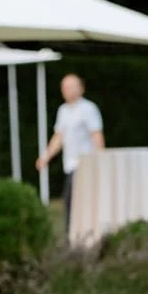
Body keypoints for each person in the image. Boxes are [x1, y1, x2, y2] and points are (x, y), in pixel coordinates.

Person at [36, 73, 105, 232]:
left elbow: (96, 135)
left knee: (75, 200)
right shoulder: (63, 111)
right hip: (70, 164)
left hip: (85, 165)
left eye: (70, 86)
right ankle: (73, 236)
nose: (67, 90)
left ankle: (80, 235)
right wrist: (45, 157)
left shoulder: (88, 109)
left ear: (81, 89)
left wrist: (101, 161)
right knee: (71, 202)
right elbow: (59, 137)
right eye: (65, 87)